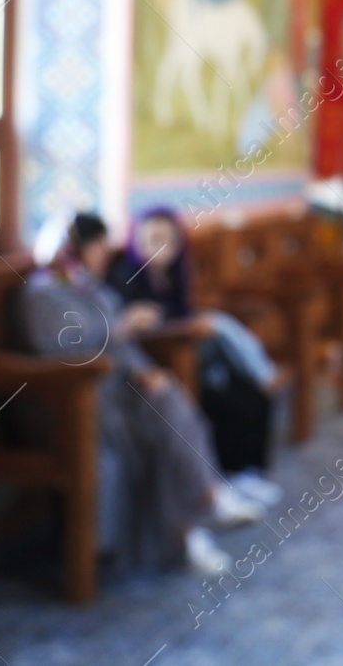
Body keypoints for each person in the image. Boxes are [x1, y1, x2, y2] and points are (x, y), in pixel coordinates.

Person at [19, 214, 263, 575]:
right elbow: (62, 348)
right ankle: (191, 521)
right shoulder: (42, 294)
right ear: (74, 248)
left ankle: (199, 511)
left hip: (116, 387)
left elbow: (124, 348)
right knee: (150, 425)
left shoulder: (92, 288)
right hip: (73, 398)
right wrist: (119, 327)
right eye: (97, 245)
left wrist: (142, 369)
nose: (104, 253)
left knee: (167, 397)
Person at [105, 208, 283, 504]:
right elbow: (133, 329)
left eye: (167, 239)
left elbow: (180, 313)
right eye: (152, 238)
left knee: (254, 394)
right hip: (163, 364)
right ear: (137, 240)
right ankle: (226, 476)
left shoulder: (173, 274)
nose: (159, 246)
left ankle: (249, 473)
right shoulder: (127, 276)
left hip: (194, 354)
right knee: (225, 401)